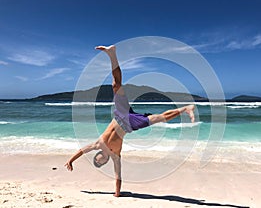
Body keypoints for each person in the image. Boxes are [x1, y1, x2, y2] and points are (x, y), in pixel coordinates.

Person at [65, 45, 195, 197]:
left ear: (97, 155)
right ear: (104, 162)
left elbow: (81, 150)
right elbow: (118, 175)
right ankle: (185, 109)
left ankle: (112, 54)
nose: (99, 161)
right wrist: (117, 193)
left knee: (116, 85)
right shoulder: (115, 156)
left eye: (97, 160)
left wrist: (71, 160)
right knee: (159, 118)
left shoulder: (97, 144)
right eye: (100, 163)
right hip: (130, 125)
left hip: (120, 115)